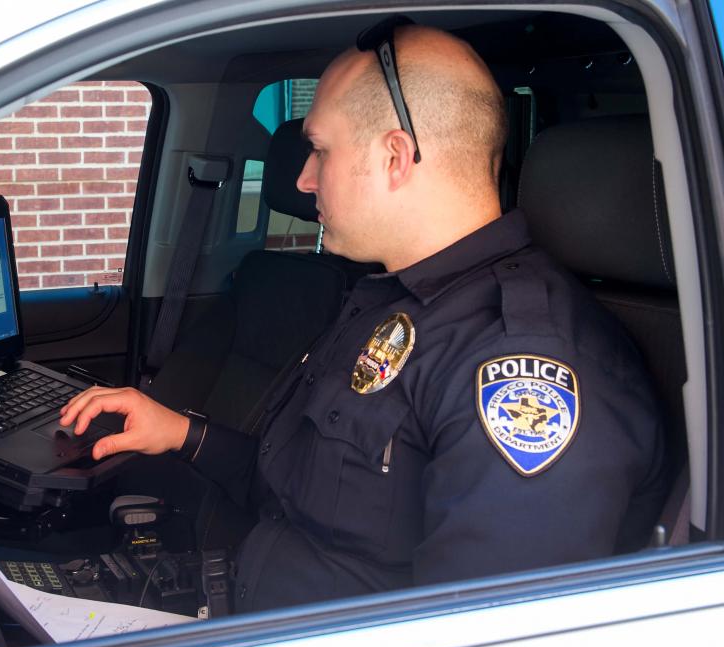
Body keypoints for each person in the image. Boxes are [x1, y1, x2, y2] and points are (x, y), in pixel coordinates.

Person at [60, 23, 668, 613]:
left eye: (320, 150)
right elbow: (299, 491)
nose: (302, 178)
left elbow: (479, 644)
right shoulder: (389, 303)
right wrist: (182, 433)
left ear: (395, 157)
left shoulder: (524, 362)